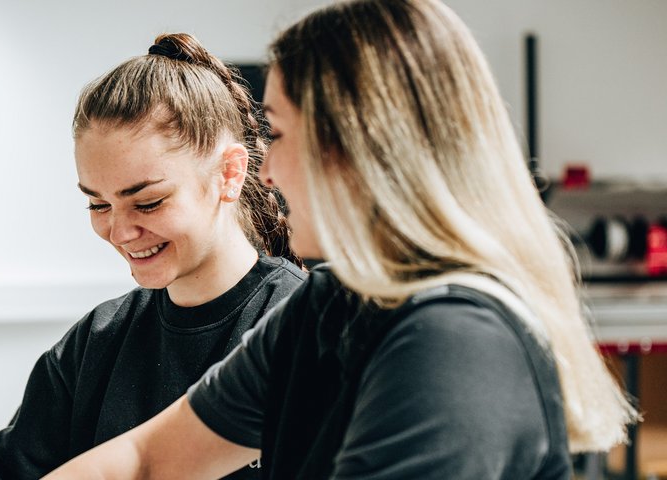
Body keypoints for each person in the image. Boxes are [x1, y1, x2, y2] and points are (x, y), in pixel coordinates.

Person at [46, 0, 638, 478]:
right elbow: (148, 460)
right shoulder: (328, 307)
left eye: (276, 133)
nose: (267, 170)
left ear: (356, 148)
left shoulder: (455, 342)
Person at [0, 33, 306, 479]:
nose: (119, 231)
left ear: (229, 173)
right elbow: (8, 470)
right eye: (98, 203)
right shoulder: (100, 339)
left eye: (148, 202)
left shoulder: (303, 324)